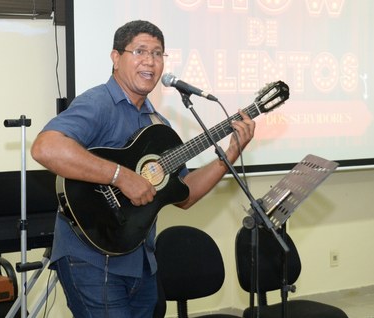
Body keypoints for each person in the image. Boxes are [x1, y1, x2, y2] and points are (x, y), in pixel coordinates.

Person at [31, 20, 256, 318]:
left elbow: (186, 194)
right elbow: (45, 147)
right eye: (140, 51)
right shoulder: (99, 103)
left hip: (140, 261)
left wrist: (230, 153)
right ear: (115, 57)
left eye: (158, 53)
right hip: (91, 258)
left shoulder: (158, 125)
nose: (150, 61)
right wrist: (120, 177)